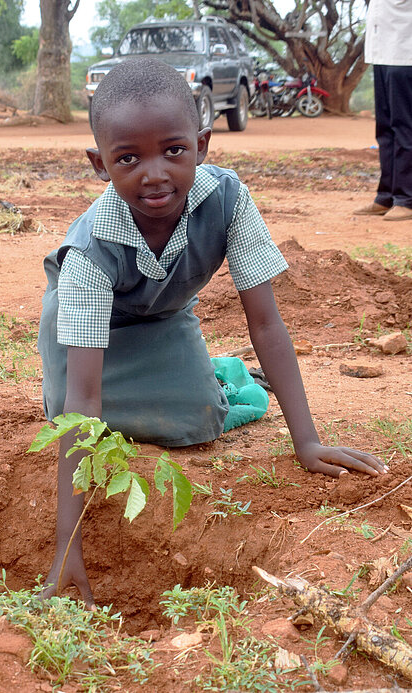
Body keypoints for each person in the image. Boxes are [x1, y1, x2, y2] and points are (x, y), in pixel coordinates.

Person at [38, 57, 387, 608]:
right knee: (77, 417)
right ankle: (177, 376)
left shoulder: (226, 199)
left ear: (202, 145)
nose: (154, 173)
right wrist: (66, 545)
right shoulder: (89, 252)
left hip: (163, 322)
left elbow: (266, 323)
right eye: (127, 158)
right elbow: (82, 399)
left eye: (173, 150)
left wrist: (307, 441)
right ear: (98, 164)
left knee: (200, 420)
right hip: (82, 336)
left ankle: (214, 373)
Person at [354, 0, 412, 221]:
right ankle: (386, 196)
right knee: (385, 129)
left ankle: (407, 198)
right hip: (380, 53)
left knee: (404, 128)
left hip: (405, 53)